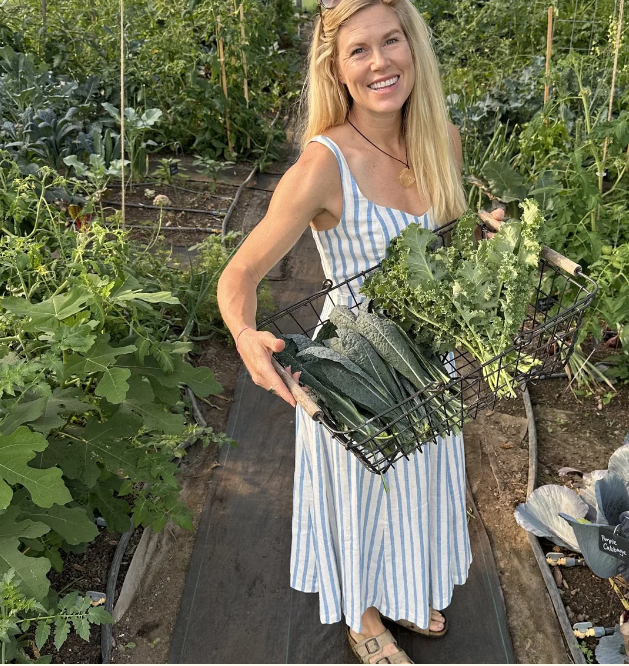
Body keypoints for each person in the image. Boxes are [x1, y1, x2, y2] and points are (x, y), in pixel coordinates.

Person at [217, 1, 474, 662]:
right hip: (352, 373)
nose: (380, 62)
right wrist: (246, 336)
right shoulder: (324, 165)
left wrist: (492, 237)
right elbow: (239, 274)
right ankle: (362, 616)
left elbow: (444, 247)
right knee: (358, 497)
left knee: (416, 484)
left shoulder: (442, 139)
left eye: (392, 42)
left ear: (413, 47)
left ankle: (405, 588)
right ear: (335, 68)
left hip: (426, 366)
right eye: (359, 50)